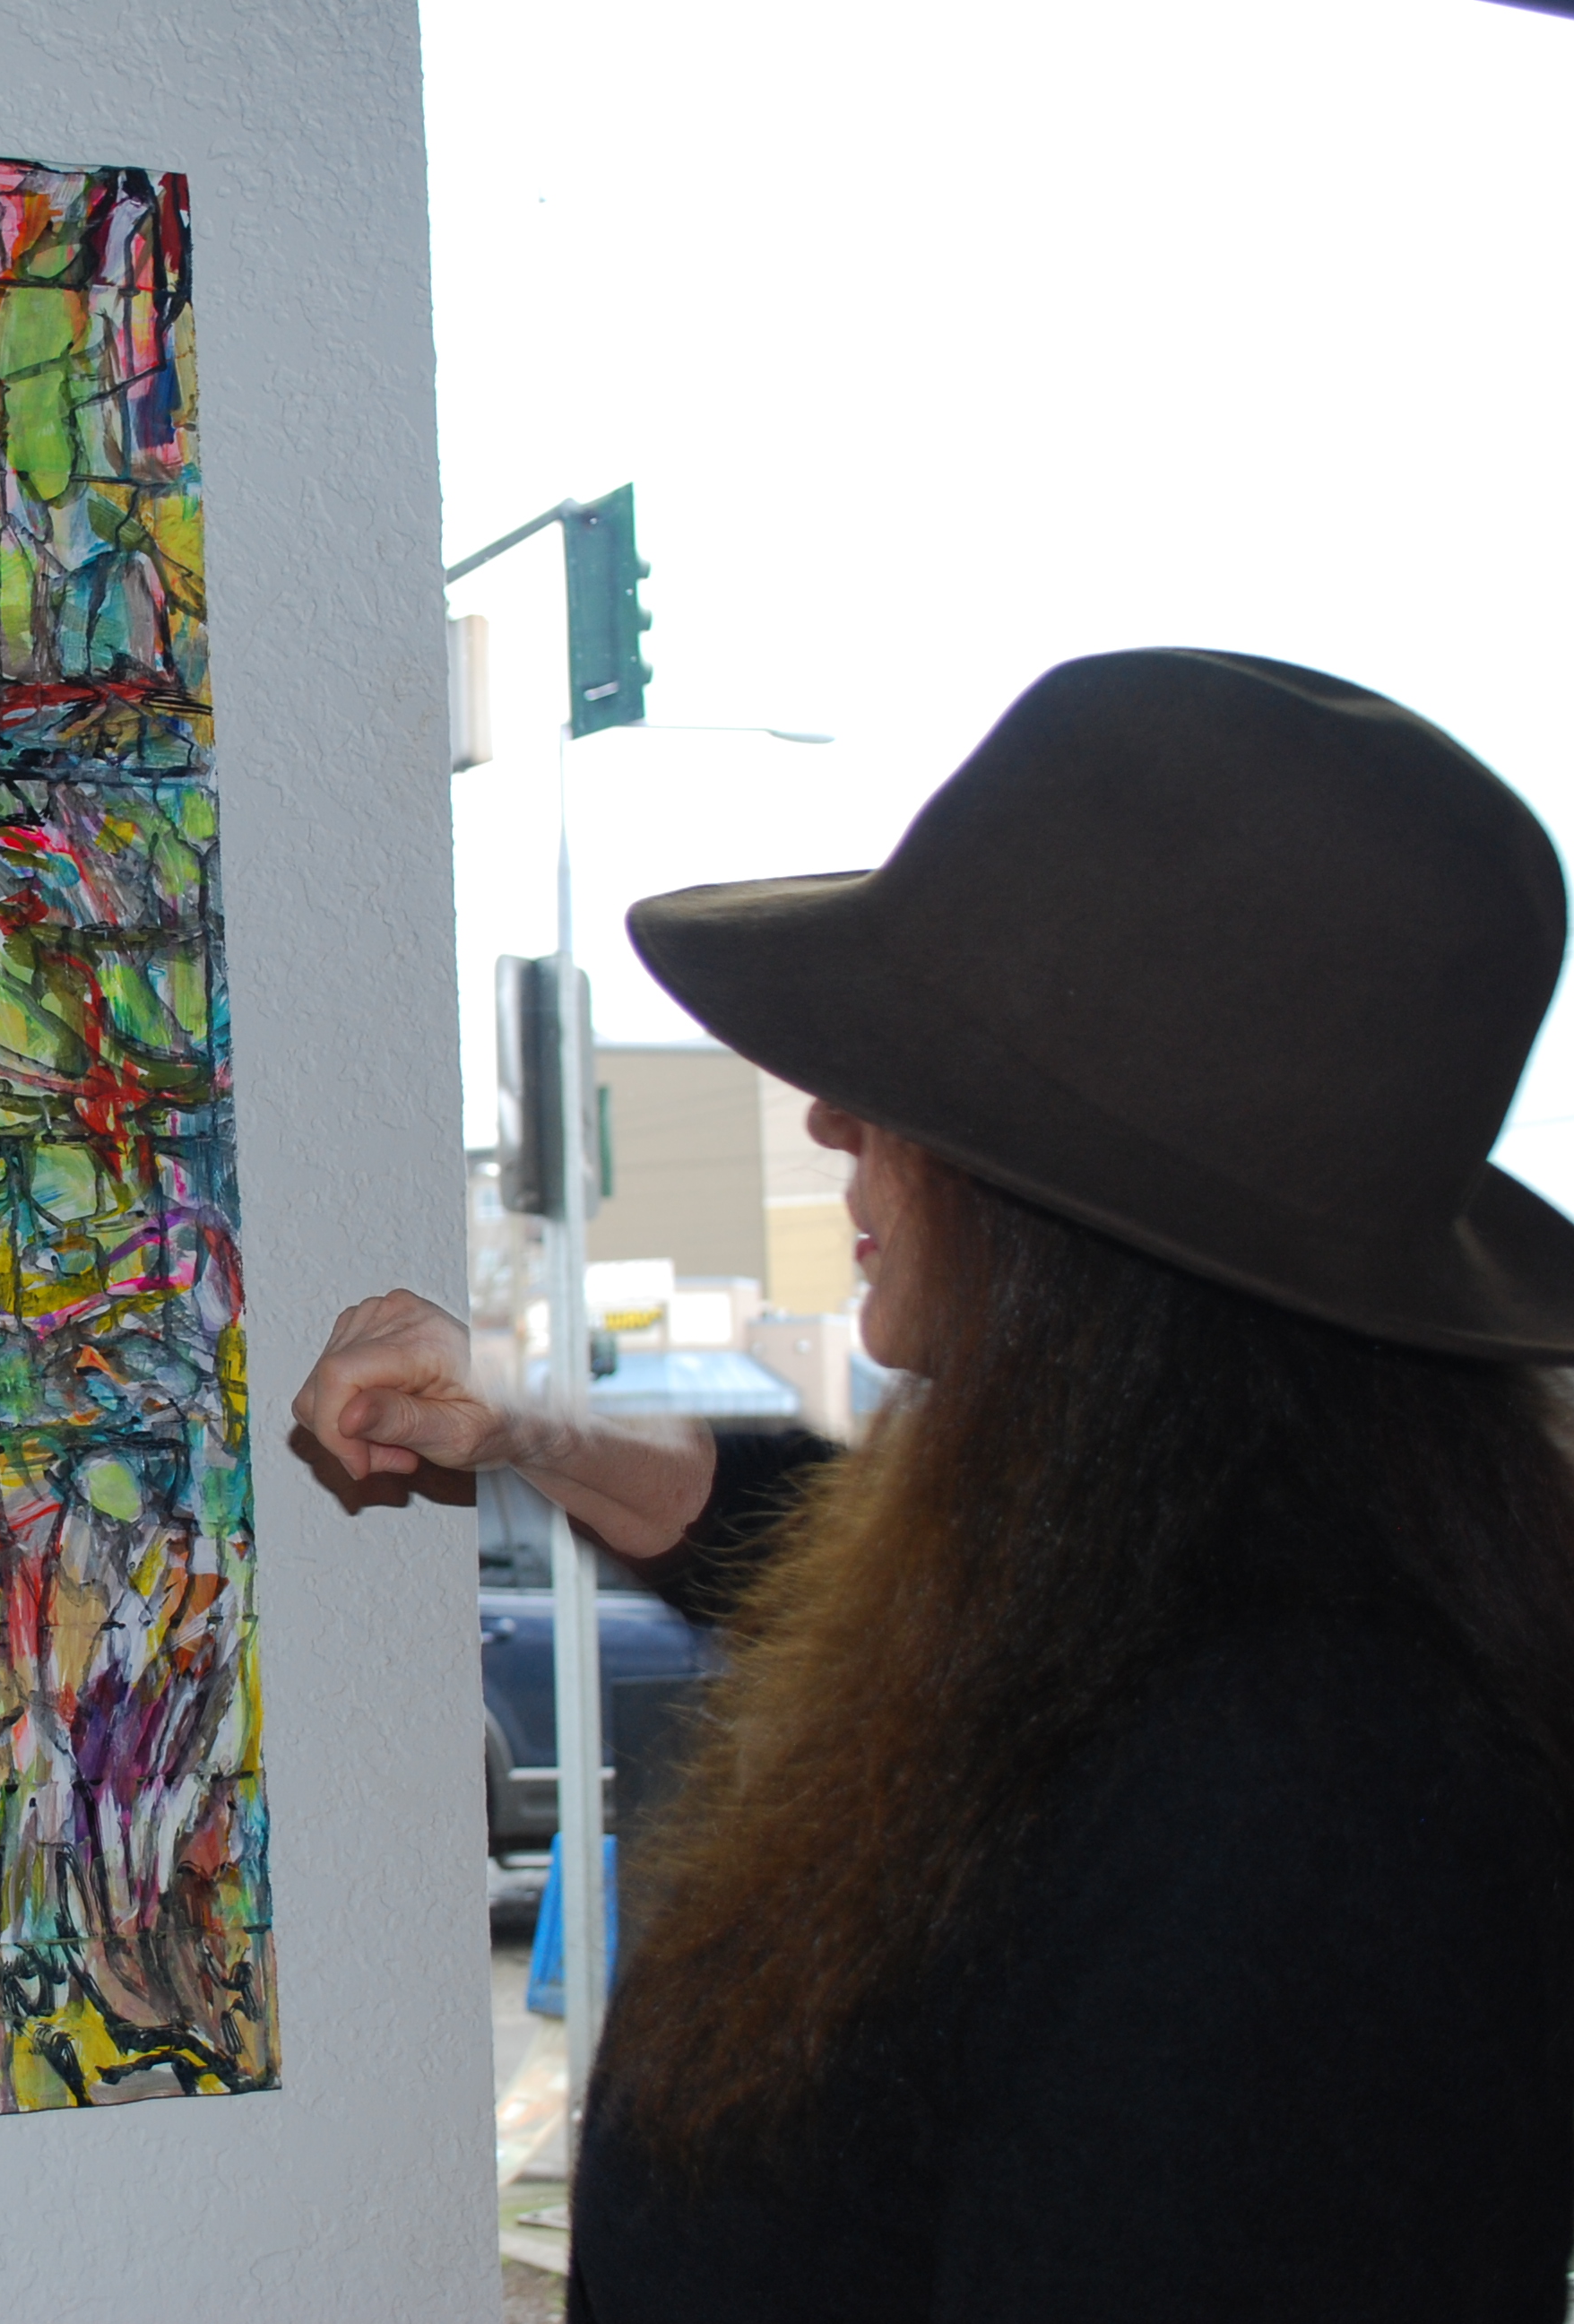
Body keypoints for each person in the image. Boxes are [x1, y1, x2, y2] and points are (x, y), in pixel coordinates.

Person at [296, 649, 1574, 2320]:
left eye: (913, 1079)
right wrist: (529, 1426)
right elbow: (807, 1540)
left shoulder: (1305, 1797)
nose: (834, 1118)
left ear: (1068, 1204)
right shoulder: (1149, 1589)